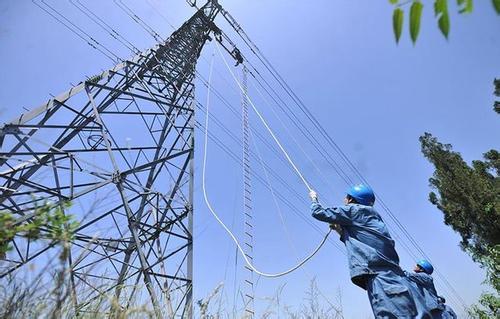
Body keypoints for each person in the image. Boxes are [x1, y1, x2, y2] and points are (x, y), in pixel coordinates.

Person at [310, 184, 420, 318]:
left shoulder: (353, 211)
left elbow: (318, 213)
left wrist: (314, 199)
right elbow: (364, 241)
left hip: (380, 277)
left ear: (351, 199)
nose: (344, 199)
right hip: (394, 276)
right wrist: (340, 231)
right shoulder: (372, 216)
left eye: (346, 197)